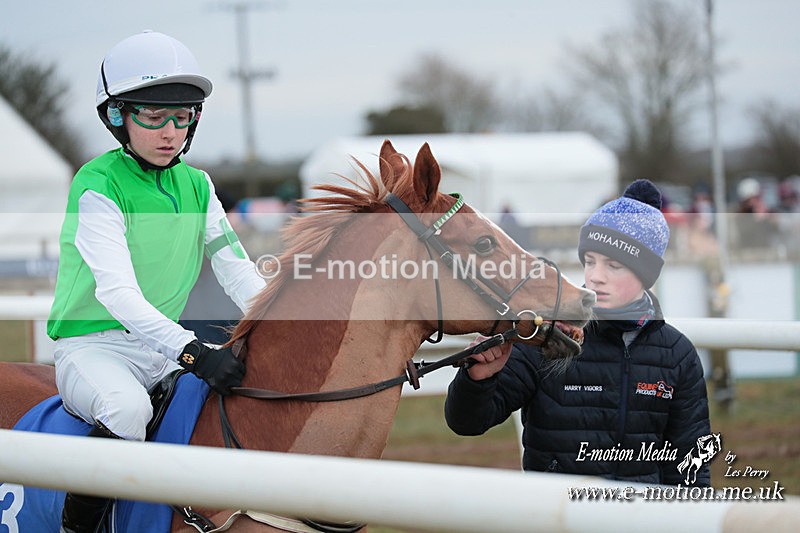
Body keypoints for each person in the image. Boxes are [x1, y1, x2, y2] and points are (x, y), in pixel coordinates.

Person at [46, 31, 267, 532]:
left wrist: (283, 322)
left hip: (161, 345)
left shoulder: (198, 183)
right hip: (94, 348)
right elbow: (117, 294)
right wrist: (194, 351)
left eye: (183, 115)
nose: (170, 130)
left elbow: (236, 270)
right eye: (153, 115)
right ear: (117, 116)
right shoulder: (96, 183)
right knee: (126, 410)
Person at [445, 179, 712, 486]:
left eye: (613, 265)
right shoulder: (547, 336)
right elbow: (467, 423)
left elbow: (691, 470)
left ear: (646, 274)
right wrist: (479, 379)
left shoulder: (678, 355)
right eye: (590, 261)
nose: (596, 277)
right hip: (555, 519)